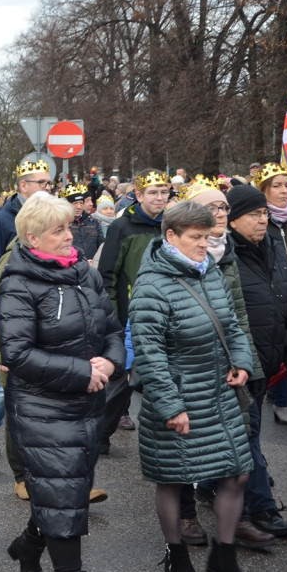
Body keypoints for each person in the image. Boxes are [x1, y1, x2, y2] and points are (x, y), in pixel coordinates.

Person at [0, 192, 124, 572]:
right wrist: (81, 372)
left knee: (62, 494)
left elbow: (113, 326)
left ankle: (27, 548)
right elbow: (17, 353)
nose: (71, 236)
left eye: (70, 226)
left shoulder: (85, 274)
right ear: (33, 238)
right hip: (41, 408)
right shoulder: (17, 282)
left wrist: (110, 359)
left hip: (88, 403)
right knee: (65, 495)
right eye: (60, 230)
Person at [129, 200, 260, 572]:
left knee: (237, 472)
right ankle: (177, 559)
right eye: (196, 237)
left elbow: (233, 324)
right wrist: (171, 406)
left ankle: (223, 559)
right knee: (174, 479)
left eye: (208, 236)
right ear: (171, 237)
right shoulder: (151, 287)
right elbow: (149, 355)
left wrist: (241, 361)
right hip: (180, 397)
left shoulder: (210, 273)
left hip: (219, 393)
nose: (205, 244)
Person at [224, 185, 287, 495]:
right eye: (254, 214)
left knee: (253, 423)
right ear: (233, 220)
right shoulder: (224, 255)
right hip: (244, 356)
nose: (263, 220)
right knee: (247, 426)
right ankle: (254, 502)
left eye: (264, 214)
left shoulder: (273, 247)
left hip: (275, 344)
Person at [0, 160, 52, 468]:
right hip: (13, 315)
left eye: (49, 183)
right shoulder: (3, 222)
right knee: (4, 381)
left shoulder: (51, 216)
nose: (47, 188)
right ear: (23, 186)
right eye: (41, 182)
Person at [97, 170, 171, 453]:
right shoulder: (122, 227)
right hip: (129, 317)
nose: (159, 198)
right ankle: (100, 432)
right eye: (153, 192)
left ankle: (161, 441)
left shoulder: (170, 225)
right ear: (138, 195)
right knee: (121, 381)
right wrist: (113, 318)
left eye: (164, 192)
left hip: (163, 314)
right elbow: (108, 275)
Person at [63, 184, 104, 260]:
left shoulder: (94, 222)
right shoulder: (62, 224)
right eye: (74, 203)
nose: (78, 207)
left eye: (81, 203)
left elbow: (101, 246)